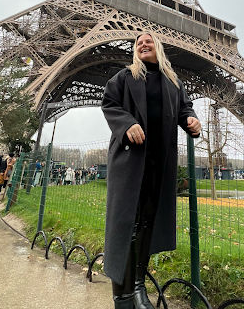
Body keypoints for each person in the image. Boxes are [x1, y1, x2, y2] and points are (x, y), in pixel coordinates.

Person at [101, 32, 201, 309]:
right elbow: (110, 104)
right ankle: (121, 294)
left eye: (149, 41)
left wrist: (191, 120)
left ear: (159, 48)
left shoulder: (174, 82)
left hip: (160, 161)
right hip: (131, 161)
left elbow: (184, 109)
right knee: (126, 224)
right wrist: (127, 123)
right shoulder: (124, 77)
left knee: (147, 222)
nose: (143, 44)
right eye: (138, 43)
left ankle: (137, 286)